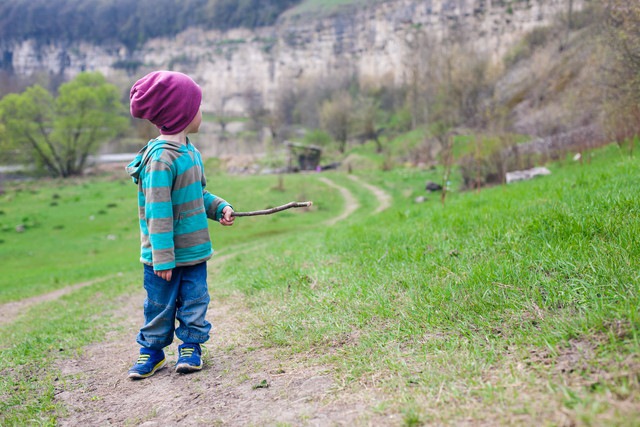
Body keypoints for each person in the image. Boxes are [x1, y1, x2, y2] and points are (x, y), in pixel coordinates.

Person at [125, 71, 234, 379]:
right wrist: (162, 255)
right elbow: (157, 213)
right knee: (159, 306)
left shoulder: (190, 152)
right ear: (181, 113)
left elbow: (197, 194)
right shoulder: (161, 159)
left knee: (195, 301)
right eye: (197, 106)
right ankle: (152, 351)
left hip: (194, 251)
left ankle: (190, 346)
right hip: (163, 257)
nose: (201, 112)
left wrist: (219, 207)